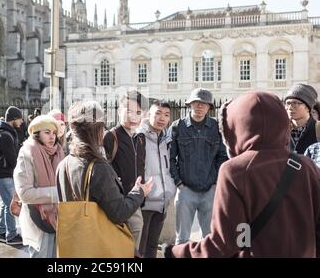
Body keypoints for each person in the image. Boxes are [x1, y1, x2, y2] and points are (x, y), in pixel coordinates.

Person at [163, 91, 320, 258]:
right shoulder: (305, 165)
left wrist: (175, 252)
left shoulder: (235, 170)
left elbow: (224, 244)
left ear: (237, 125)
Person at [56, 101, 153, 257]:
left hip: (75, 243)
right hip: (99, 246)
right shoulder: (98, 167)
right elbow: (119, 213)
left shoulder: (64, 164)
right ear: (99, 130)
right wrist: (139, 192)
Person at [170, 88, 228, 245]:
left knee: (210, 239)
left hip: (209, 190)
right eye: (196, 103)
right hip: (185, 190)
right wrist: (178, 183)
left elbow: (222, 157)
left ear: (209, 107)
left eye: (203, 104)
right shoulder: (177, 126)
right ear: (190, 104)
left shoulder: (216, 127)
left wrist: (216, 183)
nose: (199, 106)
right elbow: (170, 158)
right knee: (182, 239)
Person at [103, 90, 148, 255]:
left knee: (132, 239)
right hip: (117, 200)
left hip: (135, 198)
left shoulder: (140, 138)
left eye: (138, 112)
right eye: (128, 111)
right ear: (119, 110)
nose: (133, 116)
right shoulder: (110, 137)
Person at [14, 115, 65, 258]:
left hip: (59, 216)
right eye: (47, 132)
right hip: (37, 215)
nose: (52, 137)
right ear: (37, 134)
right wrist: (58, 193)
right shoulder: (27, 152)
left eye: (54, 133)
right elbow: (25, 193)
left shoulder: (58, 152)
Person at [134, 99, 175, 258]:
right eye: (157, 113)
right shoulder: (139, 137)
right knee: (140, 249)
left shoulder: (167, 139)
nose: (162, 118)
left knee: (152, 246)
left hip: (162, 202)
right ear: (148, 114)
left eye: (166, 115)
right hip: (144, 202)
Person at [0, 106, 24, 245]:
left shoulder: (6, 132)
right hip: (4, 175)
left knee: (5, 204)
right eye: (20, 118)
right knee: (11, 204)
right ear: (13, 119)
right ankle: (11, 236)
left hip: (3, 174)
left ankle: (1, 232)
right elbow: (12, 159)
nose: (22, 121)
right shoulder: (5, 135)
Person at [284, 83, 319, 154]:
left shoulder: (318, 129)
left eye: (295, 103)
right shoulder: (280, 130)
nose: (290, 107)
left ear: (308, 107)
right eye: (288, 103)